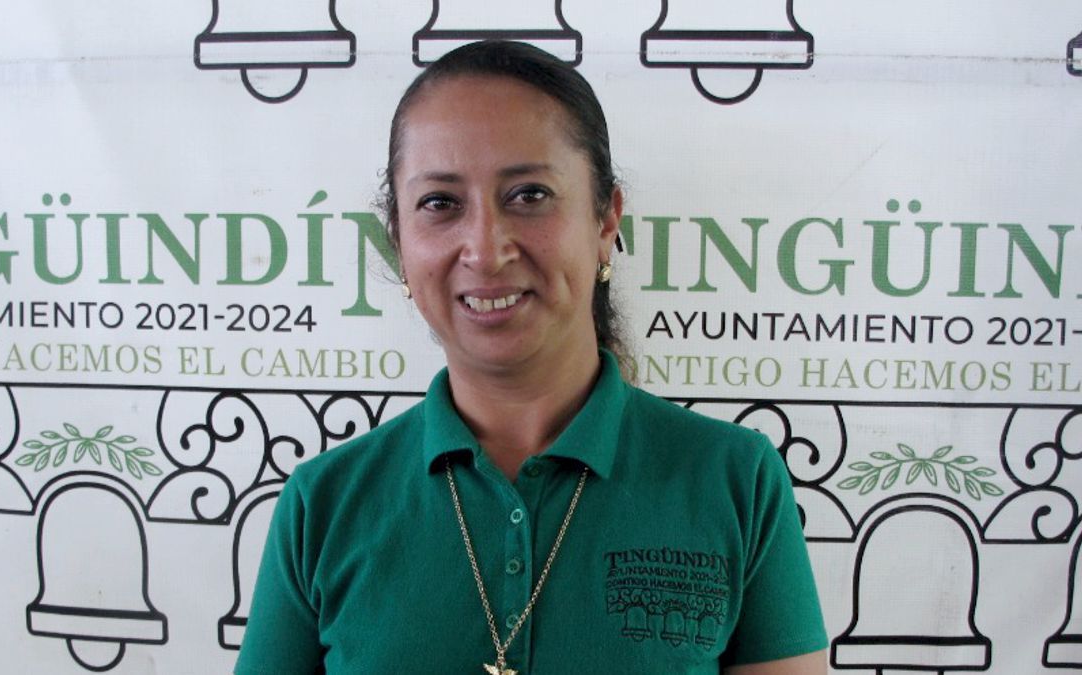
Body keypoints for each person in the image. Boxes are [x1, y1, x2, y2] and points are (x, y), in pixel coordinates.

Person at [235, 40, 827, 674]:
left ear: (606, 221)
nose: (485, 250)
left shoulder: (735, 480)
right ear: (399, 242)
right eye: (440, 203)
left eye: (529, 194)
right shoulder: (323, 504)